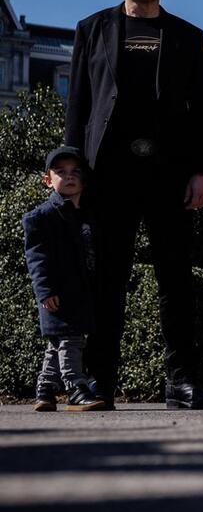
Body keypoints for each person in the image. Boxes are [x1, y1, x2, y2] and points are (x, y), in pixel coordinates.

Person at [65, 0, 203, 410]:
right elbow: (78, 106)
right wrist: (69, 168)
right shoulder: (91, 29)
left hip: (169, 174)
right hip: (107, 174)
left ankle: (181, 382)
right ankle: (99, 382)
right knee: (106, 280)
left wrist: (202, 170)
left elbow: (202, 112)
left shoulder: (189, 37)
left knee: (176, 280)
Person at [23, 147, 107, 412]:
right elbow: (37, 258)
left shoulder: (89, 214)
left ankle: (45, 390)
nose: (69, 177)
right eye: (61, 172)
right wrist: (45, 291)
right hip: (57, 293)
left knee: (57, 343)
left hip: (82, 292)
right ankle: (75, 388)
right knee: (71, 341)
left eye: (75, 172)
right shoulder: (41, 217)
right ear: (48, 180)